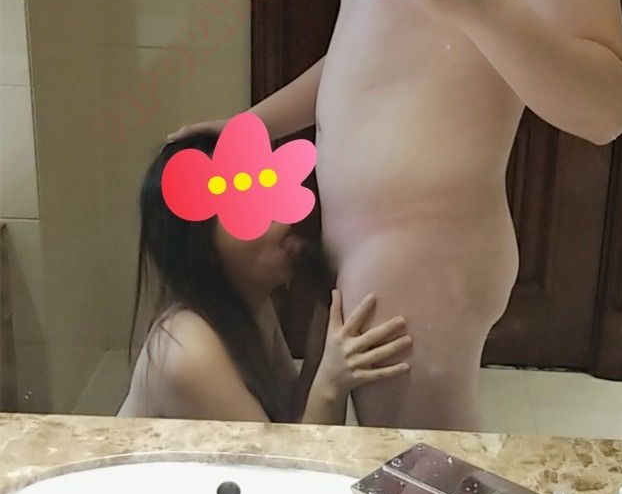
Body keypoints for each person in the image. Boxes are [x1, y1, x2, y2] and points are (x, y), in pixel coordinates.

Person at [168, 0, 622, 430]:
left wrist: (474, 0)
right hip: (352, 241)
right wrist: (250, 126)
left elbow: (606, 108)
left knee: (424, 483)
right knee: (334, 460)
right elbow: (370, 52)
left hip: (425, 250)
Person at [118, 133, 412, 423]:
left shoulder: (255, 307)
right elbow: (280, 455)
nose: (286, 220)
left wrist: (318, 358)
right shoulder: (188, 351)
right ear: (200, 247)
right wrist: (330, 386)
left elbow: (291, 424)